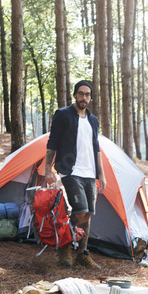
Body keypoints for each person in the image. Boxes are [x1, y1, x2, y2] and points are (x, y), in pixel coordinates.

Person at [43, 80, 107, 270]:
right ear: (74, 95)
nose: (84, 97)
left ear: (91, 97)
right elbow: (52, 142)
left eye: (87, 94)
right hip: (70, 171)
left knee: (88, 213)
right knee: (79, 210)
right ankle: (64, 246)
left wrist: (101, 174)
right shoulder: (63, 115)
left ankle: (82, 253)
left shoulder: (93, 120)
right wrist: (48, 169)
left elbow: (97, 149)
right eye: (81, 93)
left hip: (89, 172)